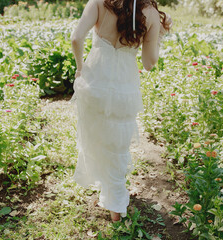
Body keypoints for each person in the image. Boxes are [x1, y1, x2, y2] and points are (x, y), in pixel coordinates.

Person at [70, 0, 172, 222]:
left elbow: (76, 38)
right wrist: (160, 34)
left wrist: (80, 69)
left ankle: (108, 191)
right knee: (117, 146)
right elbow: (148, 63)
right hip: (124, 87)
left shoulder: (98, 2)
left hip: (94, 80)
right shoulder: (151, 13)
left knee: (95, 137)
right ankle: (115, 205)